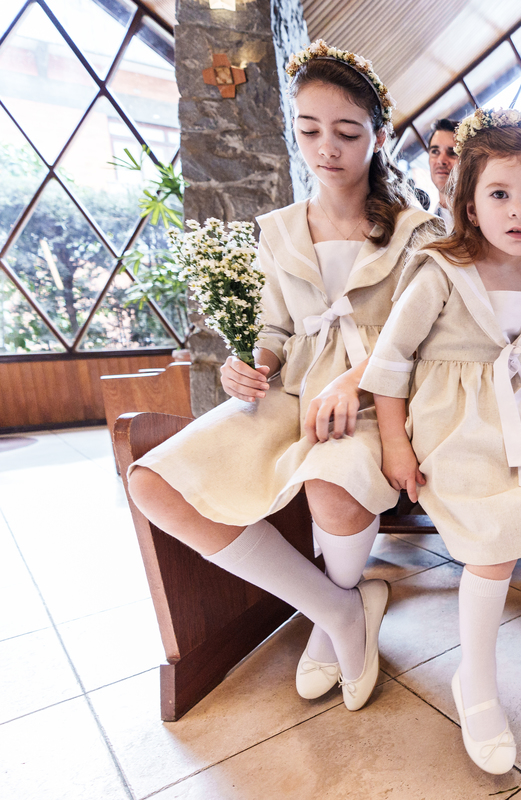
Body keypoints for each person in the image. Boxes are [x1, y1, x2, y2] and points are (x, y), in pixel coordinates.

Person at [126, 42, 442, 712]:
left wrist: (352, 383)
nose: (327, 148)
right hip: (293, 391)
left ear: (379, 137)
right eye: (310, 130)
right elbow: (274, 328)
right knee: (153, 483)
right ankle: (336, 609)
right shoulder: (277, 231)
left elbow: (424, 334)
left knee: (332, 478)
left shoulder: (417, 231)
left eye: (347, 132)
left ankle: (336, 614)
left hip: (381, 397)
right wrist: (253, 365)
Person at [361, 109, 521, 775]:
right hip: (456, 417)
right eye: (500, 194)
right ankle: (475, 680)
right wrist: (395, 442)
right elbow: (390, 362)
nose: (518, 211)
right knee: (493, 541)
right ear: (470, 205)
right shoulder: (438, 272)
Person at [428, 118, 459, 230]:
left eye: (452, 153)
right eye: (435, 152)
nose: (441, 160)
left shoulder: (483, 219)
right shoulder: (426, 224)